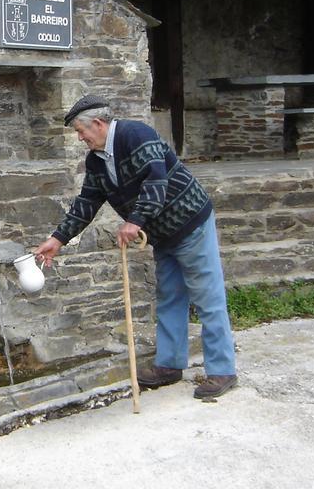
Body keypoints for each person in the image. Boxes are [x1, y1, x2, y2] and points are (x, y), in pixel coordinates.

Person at [34, 95, 238, 400]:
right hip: (162, 234)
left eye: (81, 131)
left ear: (99, 124)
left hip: (190, 223)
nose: (80, 138)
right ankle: (169, 365)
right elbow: (87, 203)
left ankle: (222, 370)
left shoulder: (137, 135)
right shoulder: (96, 160)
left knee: (207, 297)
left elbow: (157, 181)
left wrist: (135, 221)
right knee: (169, 297)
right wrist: (58, 239)